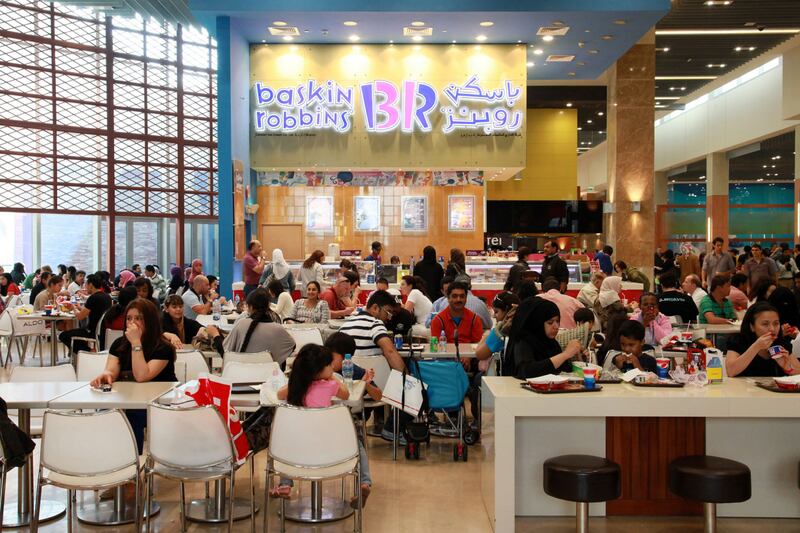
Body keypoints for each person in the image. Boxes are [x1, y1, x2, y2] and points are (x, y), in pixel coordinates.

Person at [274, 343, 374, 507]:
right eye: (329, 365)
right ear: (319, 370)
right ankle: (364, 482)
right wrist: (332, 377)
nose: (332, 367)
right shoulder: (331, 385)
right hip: (332, 450)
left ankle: (285, 483)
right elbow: (346, 393)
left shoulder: (296, 388)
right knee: (359, 444)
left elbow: (279, 394)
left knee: (286, 440)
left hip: (297, 452)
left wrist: (299, 379)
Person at [90, 298, 176, 452]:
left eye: (138, 318)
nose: (132, 323)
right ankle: (107, 457)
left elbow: (142, 376)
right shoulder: (119, 344)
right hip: (129, 399)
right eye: (129, 318)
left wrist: (136, 343)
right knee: (105, 410)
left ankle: (132, 463)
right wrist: (106, 375)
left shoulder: (163, 347)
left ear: (149, 321)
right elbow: (111, 370)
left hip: (158, 404)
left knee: (133, 414)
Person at [209, 288, 295, 364]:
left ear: (250, 307)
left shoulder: (242, 324)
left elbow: (225, 353)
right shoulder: (278, 329)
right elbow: (290, 347)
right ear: (268, 306)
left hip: (240, 377)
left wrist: (215, 334)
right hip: (269, 378)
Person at [502, 298, 583, 379]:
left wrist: (577, 356)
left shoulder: (551, 342)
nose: (556, 326)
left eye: (557, 321)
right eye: (550, 322)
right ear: (537, 323)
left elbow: (564, 369)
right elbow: (526, 371)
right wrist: (565, 354)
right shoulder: (522, 341)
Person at [725, 302, 800, 377]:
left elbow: (798, 372)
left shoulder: (781, 344)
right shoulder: (739, 341)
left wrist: (788, 368)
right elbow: (731, 371)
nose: (772, 329)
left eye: (776, 323)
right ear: (752, 326)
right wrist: (756, 347)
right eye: (765, 324)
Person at [337, 290, 404, 371]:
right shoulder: (375, 324)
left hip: (351, 378)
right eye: (388, 312)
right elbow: (390, 352)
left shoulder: (344, 326)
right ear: (375, 308)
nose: (389, 318)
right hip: (377, 379)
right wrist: (406, 378)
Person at [58, 273, 113, 353]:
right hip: (103, 330)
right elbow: (91, 310)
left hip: (92, 331)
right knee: (77, 334)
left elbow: (80, 317)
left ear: (91, 285)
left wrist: (73, 307)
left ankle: (88, 352)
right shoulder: (107, 297)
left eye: (86, 284)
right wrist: (78, 307)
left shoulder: (93, 298)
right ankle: (82, 353)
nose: (85, 287)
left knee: (63, 336)